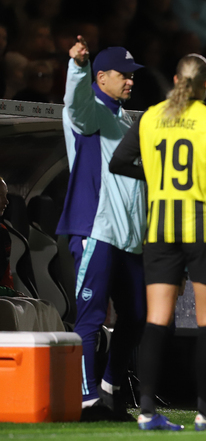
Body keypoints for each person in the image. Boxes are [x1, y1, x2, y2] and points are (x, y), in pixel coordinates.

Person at [110, 53, 206, 431]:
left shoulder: (151, 116)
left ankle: (147, 411)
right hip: (203, 227)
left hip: (161, 229)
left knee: (155, 320)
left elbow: (118, 162)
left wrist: (153, 176)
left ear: (174, 79)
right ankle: (205, 412)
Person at [55, 36, 147, 421]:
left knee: (137, 315)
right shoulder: (88, 110)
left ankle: (108, 387)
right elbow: (73, 103)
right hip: (95, 231)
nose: (130, 81)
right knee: (91, 318)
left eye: (131, 75)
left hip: (127, 238)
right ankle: (86, 398)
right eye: (123, 75)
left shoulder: (123, 118)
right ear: (101, 76)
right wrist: (77, 67)